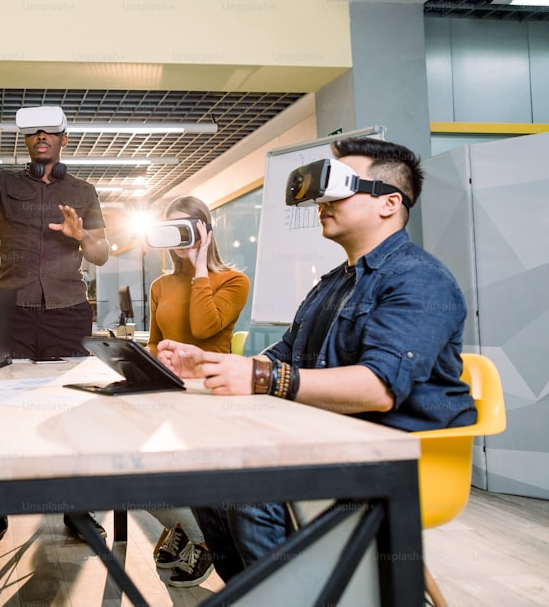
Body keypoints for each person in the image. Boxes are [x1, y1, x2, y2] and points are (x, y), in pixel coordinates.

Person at [157, 137, 478, 585]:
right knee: (208, 468)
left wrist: (263, 377)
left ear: (389, 203)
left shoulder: (420, 280)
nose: (320, 201)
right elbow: (284, 354)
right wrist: (207, 364)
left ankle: (295, 595)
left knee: (252, 487)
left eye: (339, 186)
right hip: (329, 437)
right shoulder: (332, 283)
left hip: (398, 457)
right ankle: (253, 593)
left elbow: (377, 389)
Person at [0, 77, 110, 545]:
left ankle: (78, 510)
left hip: (68, 310)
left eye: (50, 131)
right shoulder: (4, 183)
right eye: (34, 131)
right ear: (27, 139)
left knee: (75, 408)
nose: (42, 137)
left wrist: (82, 236)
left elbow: (101, 252)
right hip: (10, 311)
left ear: (62, 139)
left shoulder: (83, 191)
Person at [145, 195, 250, 588]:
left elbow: (205, 328)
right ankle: (188, 530)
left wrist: (200, 264)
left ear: (205, 229)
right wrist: (158, 356)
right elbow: (156, 341)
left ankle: (205, 541)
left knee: (199, 484)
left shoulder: (234, 280)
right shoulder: (159, 284)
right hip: (170, 392)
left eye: (188, 226)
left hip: (211, 395)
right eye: (173, 228)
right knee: (138, 471)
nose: (180, 236)